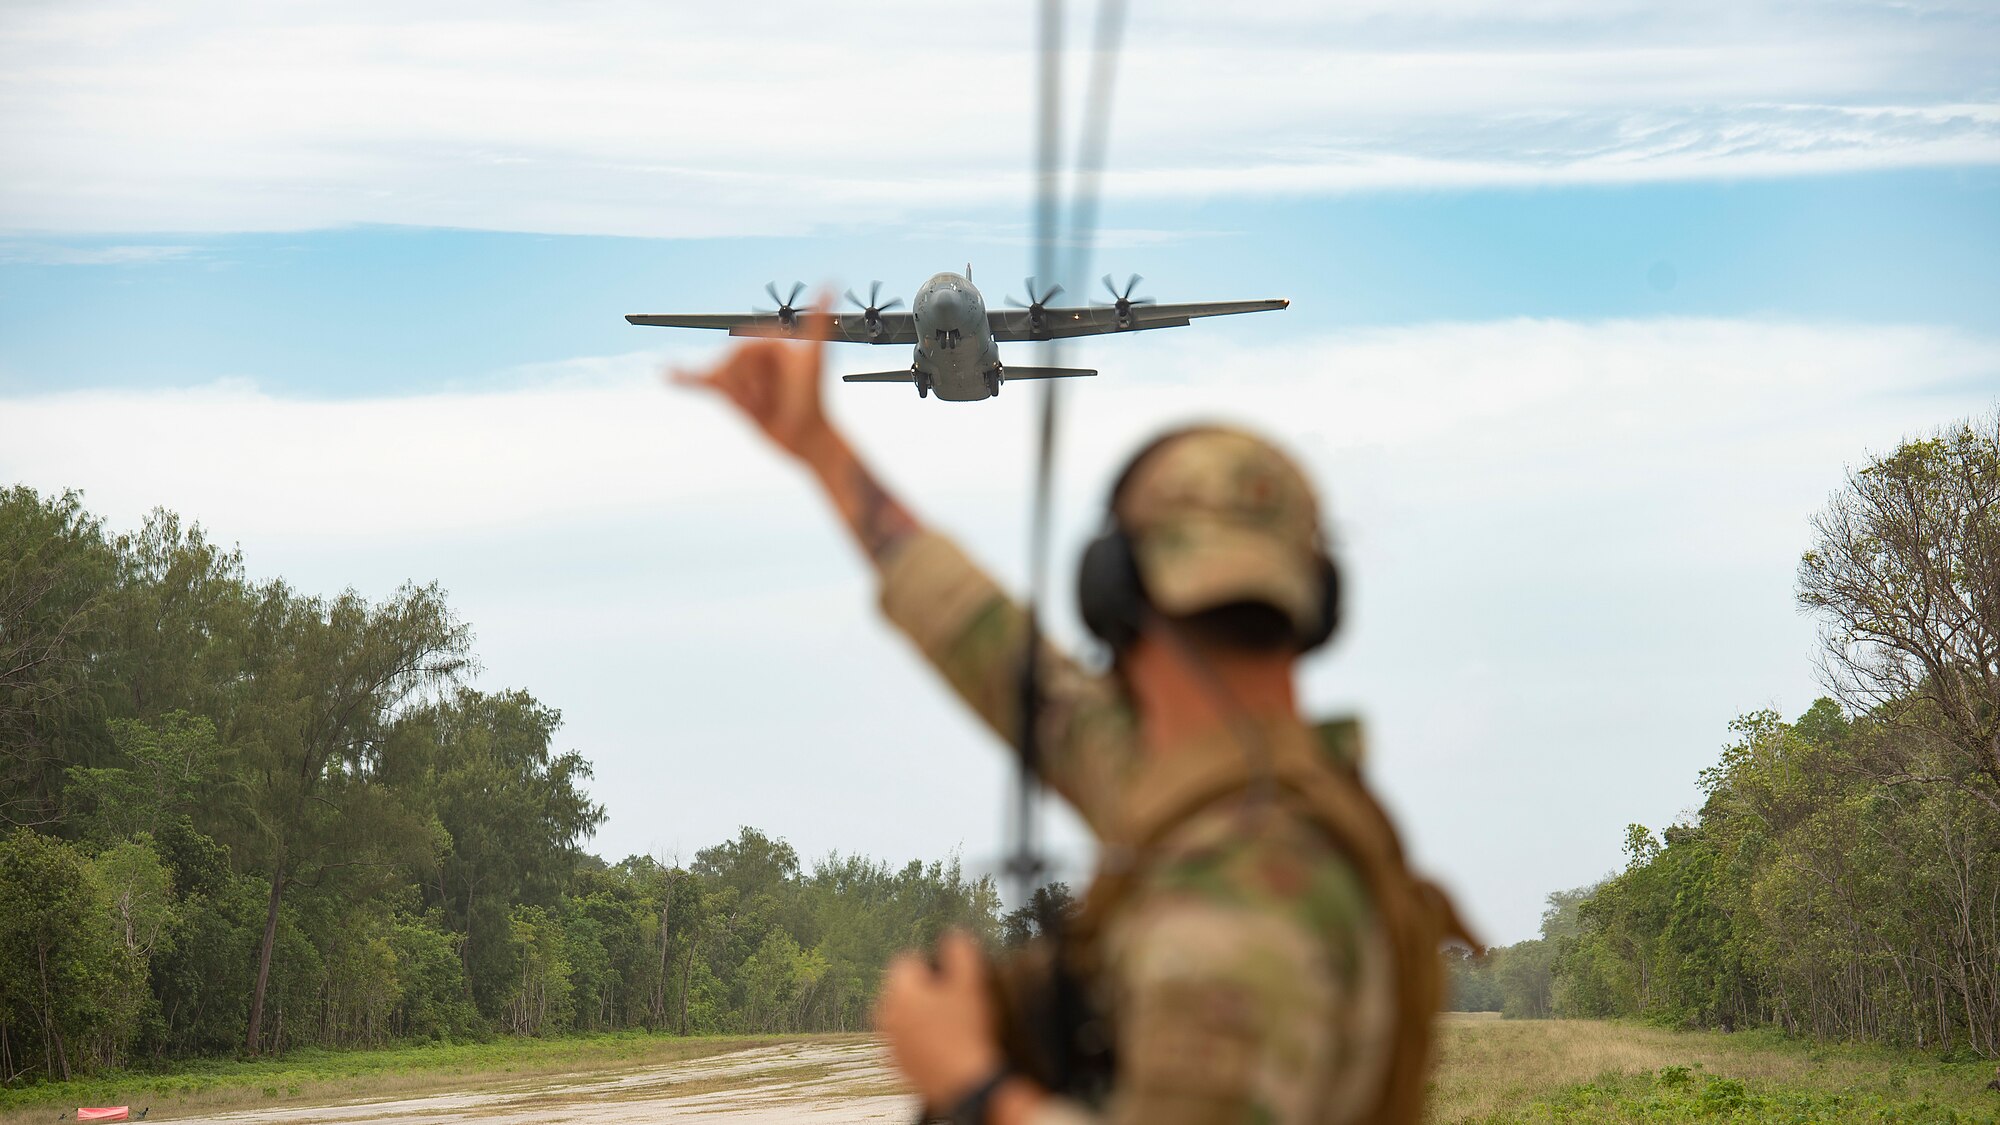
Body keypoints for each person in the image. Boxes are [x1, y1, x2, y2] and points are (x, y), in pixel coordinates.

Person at [674, 308, 1463, 1125]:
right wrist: (822, 450)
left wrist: (972, 1083)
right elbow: (997, 652)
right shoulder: (1224, 791)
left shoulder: (1240, 895)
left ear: (1111, 593)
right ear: (1317, 600)